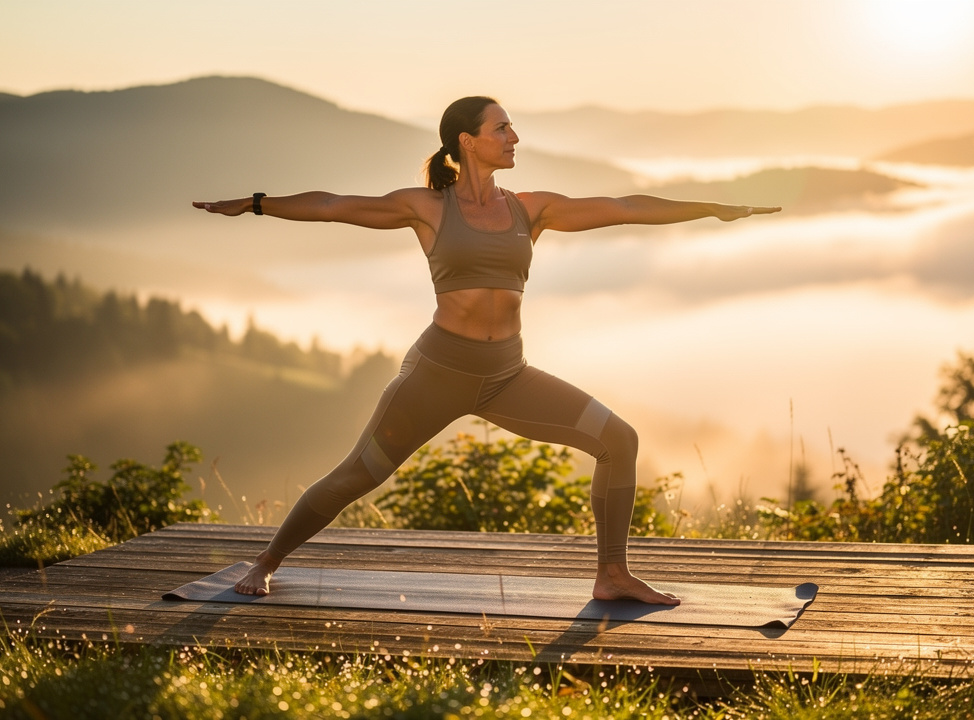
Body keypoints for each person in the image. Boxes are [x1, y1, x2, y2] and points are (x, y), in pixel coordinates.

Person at [194, 96, 780, 605]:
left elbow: (624, 207)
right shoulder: (427, 207)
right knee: (357, 476)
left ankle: (612, 574)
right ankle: (265, 563)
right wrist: (256, 203)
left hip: (508, 375)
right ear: (467, 142)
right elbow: (332, 203)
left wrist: (710, 208)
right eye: (502, 129)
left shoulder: (531, 207)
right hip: (437, 373)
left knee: (618, 439)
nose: (515, 137)